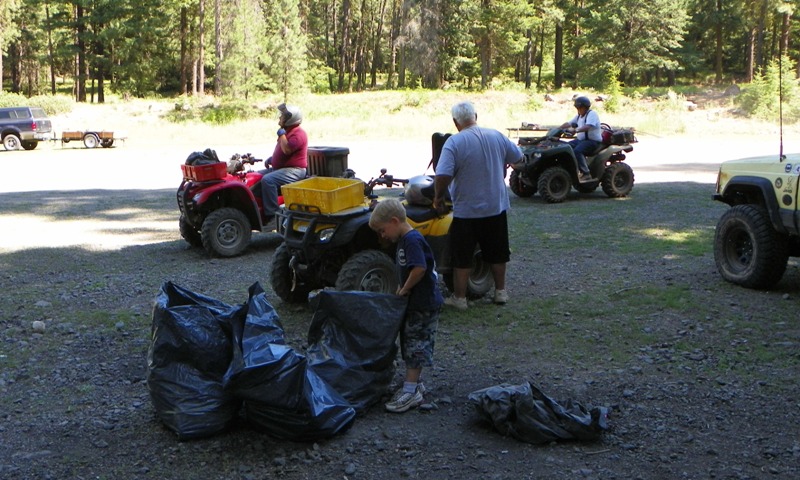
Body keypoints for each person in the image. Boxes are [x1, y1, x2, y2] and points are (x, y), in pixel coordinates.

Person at [433, 101, 523, 310]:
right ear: (476, 115)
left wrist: (438, 197)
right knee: (498, 251)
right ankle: (500, 292)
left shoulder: (454, 143)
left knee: (462, 255)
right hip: (495, 205)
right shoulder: (497, 136)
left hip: (467, 209)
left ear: (456, 122)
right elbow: (518, 158)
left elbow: (443, 174)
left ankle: (460, 298)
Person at [369, 198, 443, 413]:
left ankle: (410, 392)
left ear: (394, 221)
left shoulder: (412, 240)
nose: (383, 236)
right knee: (409, 341)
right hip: (414, 305)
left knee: (416, 345)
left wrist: (405, 288)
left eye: (383, 230)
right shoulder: (404, 240)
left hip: (423, 304)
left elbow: (419, 269)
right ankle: (414, 383)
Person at [259, 103, 308, 222]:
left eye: (283, 116)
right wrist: (272, 159)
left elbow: (287, 150)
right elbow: (282, 150)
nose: (280, 118)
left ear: (290, 119)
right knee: (255, 176)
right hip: (282, 169)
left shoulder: (298, 134)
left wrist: (281, 134)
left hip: (295, 171)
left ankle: (273, 215)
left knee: (268, 180)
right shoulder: (288, 132)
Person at [560, 96, 602, 182]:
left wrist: (576, 130)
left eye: (580, 108)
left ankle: (586, 173)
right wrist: (558, 129)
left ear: (585, 107)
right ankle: (570, 169)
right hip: (581, 141)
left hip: (592, 142)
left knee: (577, 151)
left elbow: (588, 126)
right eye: (577, 108)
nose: (578, 109)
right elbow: (569, 123)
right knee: (565, 147)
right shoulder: (579, 116)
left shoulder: (592, 114)